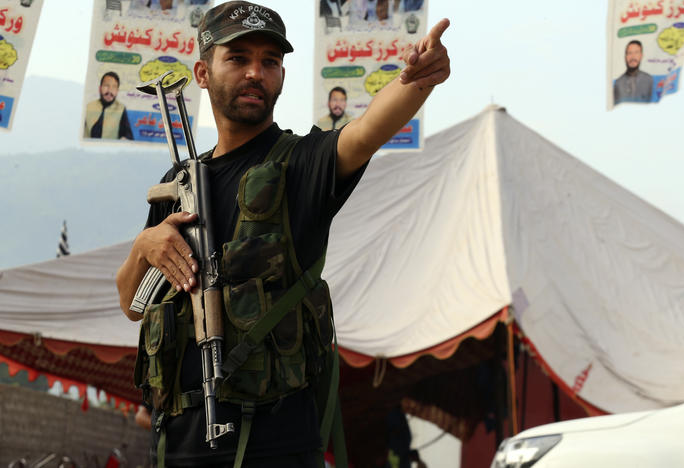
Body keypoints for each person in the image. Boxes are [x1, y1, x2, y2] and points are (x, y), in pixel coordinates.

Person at [116, 1, 450, 467]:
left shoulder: (300, 165)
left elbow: (365, 132)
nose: (256, 72)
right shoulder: (180, 181)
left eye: (270, 61)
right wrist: (143, 248)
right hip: (177, 445)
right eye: (238, 58)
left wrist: (415, 83)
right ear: (203, 72)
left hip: (273, 446)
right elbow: (132, 304)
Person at [84, 71, 134, 140]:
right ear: (100, 88)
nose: (110, 91)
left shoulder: (121, 109)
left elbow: (128, 136)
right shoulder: (88, 107)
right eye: (106, 86)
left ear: (117, 91)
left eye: (114, 87)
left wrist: (124, 139)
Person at [613, 40, 653, 105]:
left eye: (636, 52)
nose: (633, 57)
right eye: (629, 53)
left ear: (641, 56)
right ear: (625, 57)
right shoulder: (618, 84)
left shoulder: (649, 80)